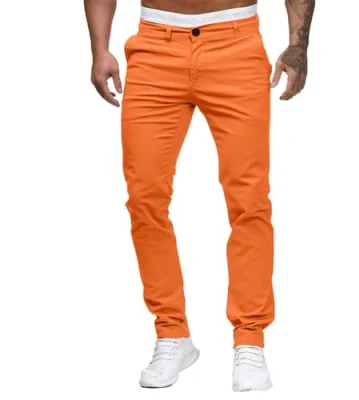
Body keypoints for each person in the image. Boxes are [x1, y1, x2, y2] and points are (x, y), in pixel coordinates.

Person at [84, 0, 314, 392]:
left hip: (236, 44)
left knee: (249, 200)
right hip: (154, 46)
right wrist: (99, 48)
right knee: (145, 197)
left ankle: (250, 339)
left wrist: (298, 45)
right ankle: (172, 333)